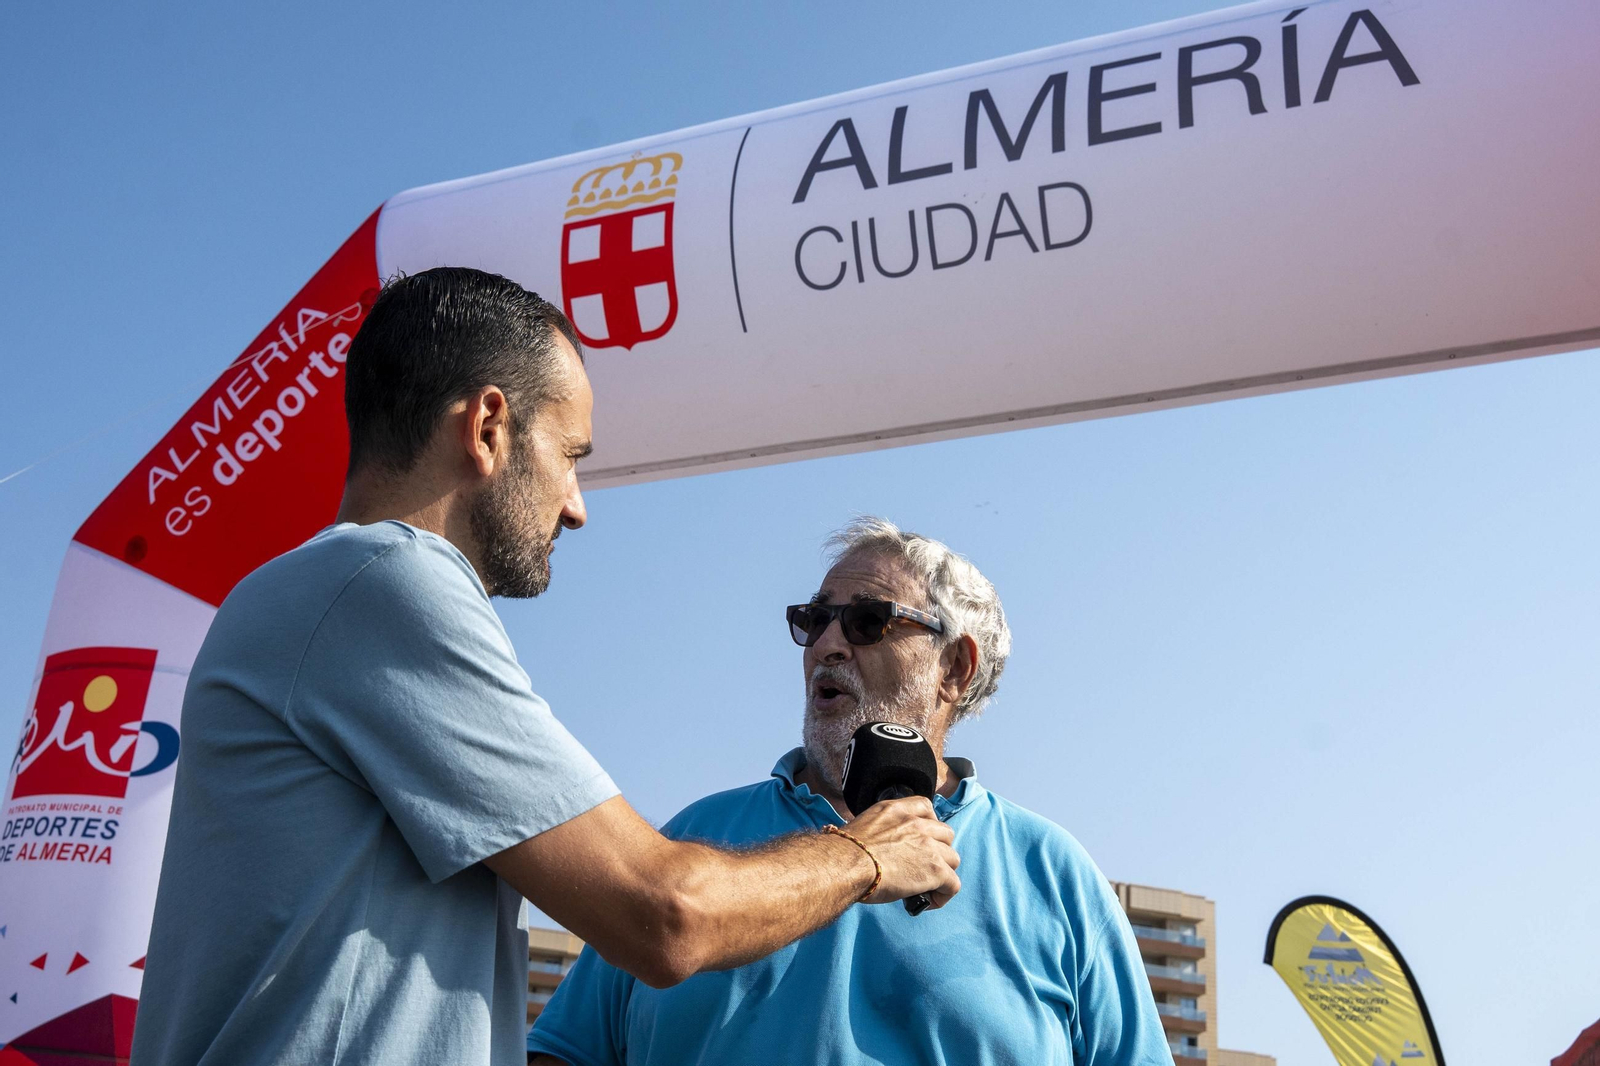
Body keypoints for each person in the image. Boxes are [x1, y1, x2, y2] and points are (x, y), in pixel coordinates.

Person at [130, 270, 961, 1066]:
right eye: (571, 454)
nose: (577, 504)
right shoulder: (385, 582)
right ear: (489, 426)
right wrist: (869, 854)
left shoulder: (339, 596)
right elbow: (664, 912)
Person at [529, 518, 1172, 1066]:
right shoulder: (692, 841)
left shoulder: (1052, 872)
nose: (829, 644)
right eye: (815, 620)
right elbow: (562, 1052)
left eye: (867, 622)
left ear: (955, 668)